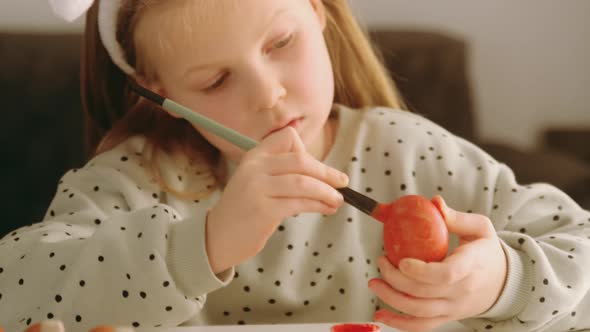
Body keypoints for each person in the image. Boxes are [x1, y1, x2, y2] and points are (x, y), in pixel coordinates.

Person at [1, 0, 589, 331]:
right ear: (157, 92)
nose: (268, 96)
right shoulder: (135, 180)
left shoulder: (412, 156)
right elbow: (14, 289)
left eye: (281, 45)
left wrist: (503, 282)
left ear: (319, 13)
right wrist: (204, 243)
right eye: (215, 80)